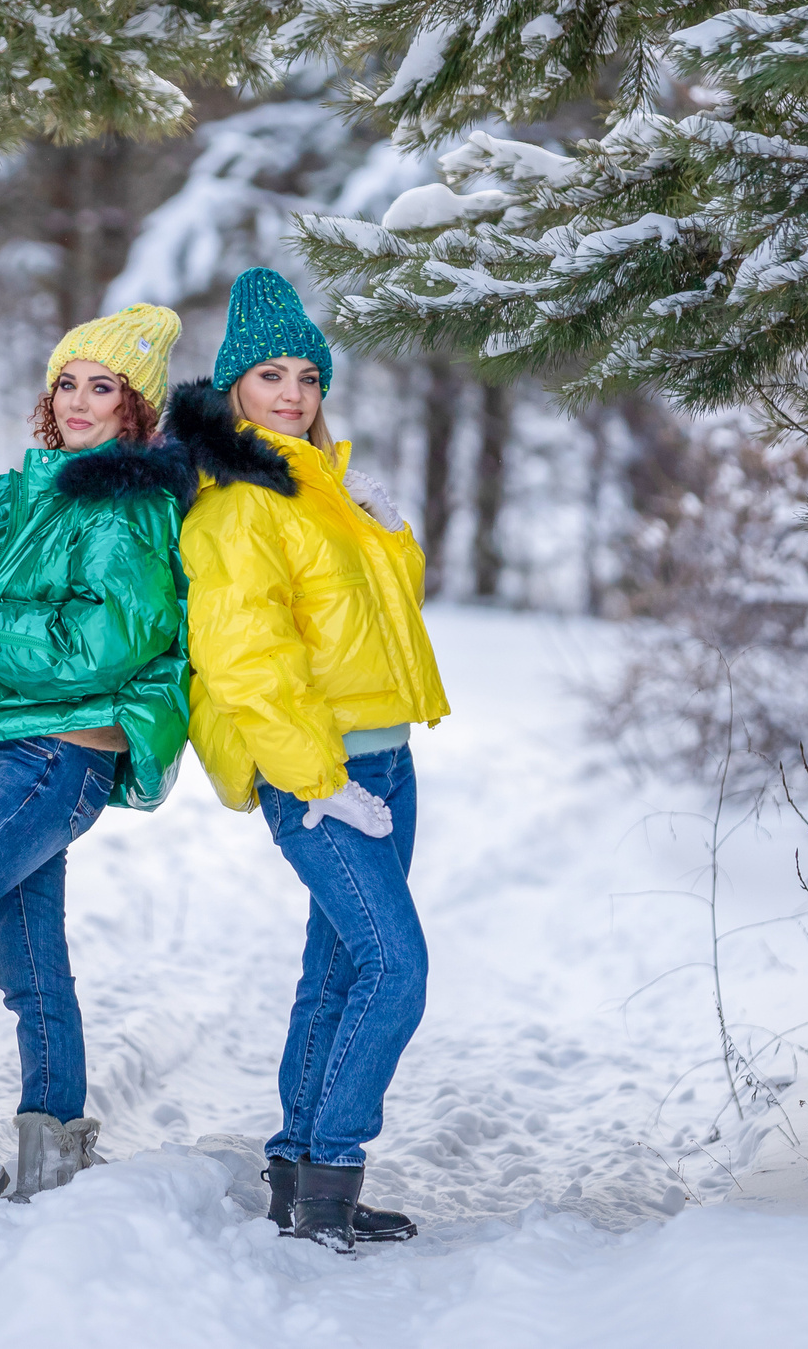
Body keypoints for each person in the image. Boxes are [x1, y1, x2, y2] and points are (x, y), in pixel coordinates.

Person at [0, 304, 193, 1199]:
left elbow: (113, 641)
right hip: (23, 755)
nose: (82, 400)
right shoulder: (41, 487)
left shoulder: (126, 501)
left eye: (105, 387)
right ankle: (55, 1167)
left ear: (136, 409)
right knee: (32, 971)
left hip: (56, 760)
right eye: (69, 381)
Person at [167, 267, 448, 1252]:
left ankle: (298, 1174)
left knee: (337, 973)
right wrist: (318, 782)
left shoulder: (318, 485)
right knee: (395, 970)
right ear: (233, 389)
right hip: (320, 774)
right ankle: (330, 1179)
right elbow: (248, 662)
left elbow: (368, 623)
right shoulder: (238, 504)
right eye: (270, 376)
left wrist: (384, 527)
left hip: (384, 763)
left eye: (307, 377)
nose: (292, 394)